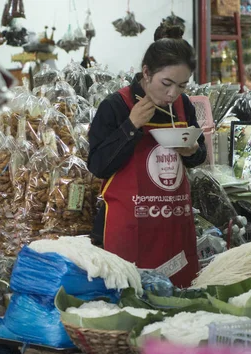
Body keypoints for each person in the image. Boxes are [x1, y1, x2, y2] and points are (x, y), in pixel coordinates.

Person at [87, 30, 206, 287]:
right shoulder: (116, 105)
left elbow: (199, 156)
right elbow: (98, 165)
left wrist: (192, 151)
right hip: (131, 228)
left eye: (182, 85)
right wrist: (131, 126)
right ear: (146, 73)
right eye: (166, 83)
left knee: (180, 307)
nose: (173, 93)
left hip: (174, 224)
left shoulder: (184, 106)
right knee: (133, 300)